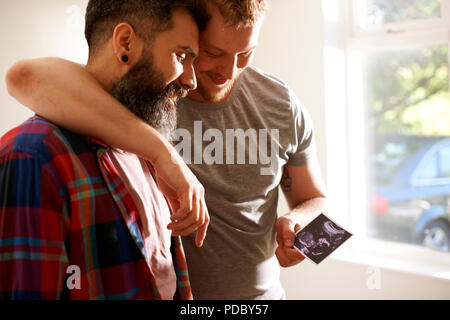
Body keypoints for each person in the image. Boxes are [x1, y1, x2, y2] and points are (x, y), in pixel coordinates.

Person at [6, 0, 328, 299]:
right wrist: (164, 152)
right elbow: (26, 77)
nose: (228, 72)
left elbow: (323, 205)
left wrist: (307, 238)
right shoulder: (150, 99)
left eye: (245, 54)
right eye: (213, 52)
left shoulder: (281, 104)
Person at [0, 0, 210, 300]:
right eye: (181, 55)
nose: (191, 80)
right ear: (125, 42)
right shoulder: (33, 157)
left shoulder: (147, 148)